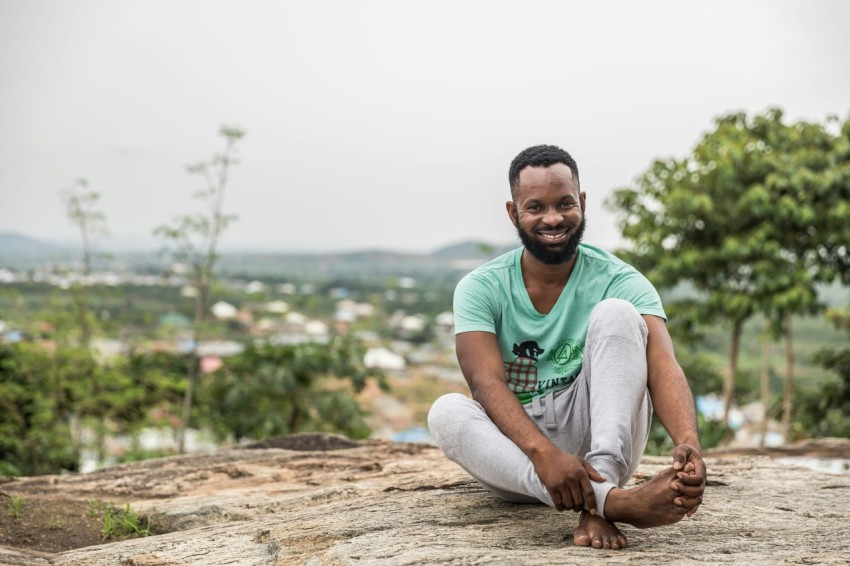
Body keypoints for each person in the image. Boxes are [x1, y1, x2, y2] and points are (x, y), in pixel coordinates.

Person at [427, 144, 706, 550]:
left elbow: (663, 366)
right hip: (520, 462)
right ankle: (616, 505)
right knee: (445, 411)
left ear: (583, 203)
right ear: (513, 213)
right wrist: (543, 453)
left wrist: (689, 443)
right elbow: (485, 383)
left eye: (565, 204)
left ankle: (599, 492)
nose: (553, 218)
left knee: (617, 314)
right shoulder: (480, 287)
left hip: (600, 446)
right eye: (535, 207)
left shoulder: (620, 279)